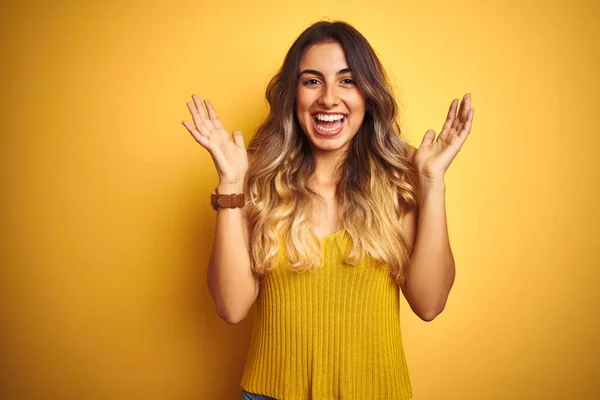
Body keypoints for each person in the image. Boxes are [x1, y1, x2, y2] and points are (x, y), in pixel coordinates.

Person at [182, 20, 474, 400]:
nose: (329, 99)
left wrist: (432, 181)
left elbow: (430, 303)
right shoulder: (258, 181)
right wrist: (230, 186)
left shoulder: (400, 183)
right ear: (293, 95)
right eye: (312, 80)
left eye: (347, 80)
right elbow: (231, 307)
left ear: (368, 95)